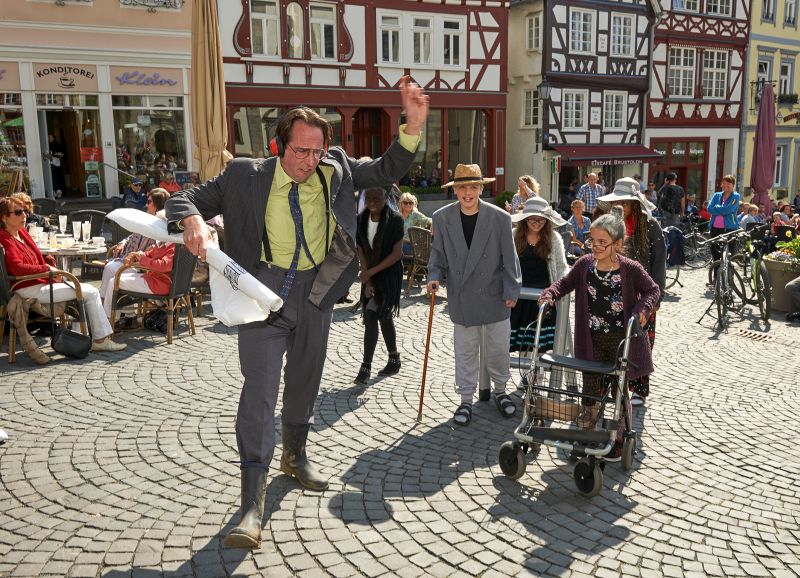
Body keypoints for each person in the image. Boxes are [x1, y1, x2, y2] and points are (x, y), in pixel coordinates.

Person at [165, 77, 428, 549]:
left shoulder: (338, 168)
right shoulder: (246, 175)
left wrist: (412, 126)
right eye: (300, 151)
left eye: (317, 152)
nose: (310, 161)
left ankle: (296, 454)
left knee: (306, 379)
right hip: (261, 289)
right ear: (279, 145)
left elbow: (389, 167)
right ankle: (251, 501)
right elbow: (183, 198)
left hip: (317, 290)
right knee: (260, 390)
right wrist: (191, 220)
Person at [538, 207, 660, 460]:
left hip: (621, 342)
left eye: (602, 242)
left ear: (617, 244)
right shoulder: (584, 265)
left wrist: (642, 309)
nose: (594, 246)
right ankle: (587, 436)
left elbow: (653, 290)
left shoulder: (630, 268)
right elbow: (565, 283)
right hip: (591, 340)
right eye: (592, 240)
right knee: (589, 391)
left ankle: (619, 437)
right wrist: (549, 294)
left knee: (619, 390)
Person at [426, 164, 522, 426]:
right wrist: (434, 276)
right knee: (465, 352)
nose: (467, 193)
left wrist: (512, 289)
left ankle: (501, 392)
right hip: (463, 296)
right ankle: (465, 400)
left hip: (495, 295)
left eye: (473, 187)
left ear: (482, 188)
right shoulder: (441, 218)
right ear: (454, 190)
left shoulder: (500, 218)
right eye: (462, 187)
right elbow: (437, 254)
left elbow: (510, 259)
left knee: (498, 350)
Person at [0, 196, 126, 352]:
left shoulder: (21, 233)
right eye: (18, 212)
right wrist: (46, 270)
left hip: (39, 282)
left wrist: (48, 261)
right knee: (91, 291)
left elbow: (36, 255)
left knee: (83, 290)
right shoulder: (5, 238)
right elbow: (17, 268)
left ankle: (79, 336)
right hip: (29, 287)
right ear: (4, 217)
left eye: (25, 211)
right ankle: (99, 340)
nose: (24, 215)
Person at [597, 177, 665, 407]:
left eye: (626, 203)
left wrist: (657, 297)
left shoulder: (650, 226)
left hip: (643, 294)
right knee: (611, 340)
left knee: (640, 342)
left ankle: (639, 388)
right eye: (619, 202)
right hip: (614, 292)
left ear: (635, 204)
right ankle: (612, 385)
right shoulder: (610, 225)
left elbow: (659, 263)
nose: (622, 207)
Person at [353, 187, 404, 385]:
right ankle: (394, 358)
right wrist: (367, 278)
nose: (372, 202)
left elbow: (396, 254)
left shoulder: (395, 220)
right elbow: (360, 248)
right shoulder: (360, 219)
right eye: (369, 198)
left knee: (372, 314)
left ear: (386, 198)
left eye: (377, 198)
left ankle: (365, 367)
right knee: (382, 314)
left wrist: (371, 274)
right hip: (370, 272)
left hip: (389, 273)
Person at [508, 197, 568, 357]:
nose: (536, 222)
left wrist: (558, 291)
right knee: (523, 346)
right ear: (524, 219)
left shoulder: (554, 238)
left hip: (544, 297)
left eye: (541, 219)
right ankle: (526, 379)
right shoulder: (513, 236)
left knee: (541, 346)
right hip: (519, 298)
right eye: (532, 219)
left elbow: (562, 268)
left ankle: (536, 377)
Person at [99, 190, 168, 326]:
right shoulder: (144, 220)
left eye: (149, 202)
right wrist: (121, 243)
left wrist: (138, 256)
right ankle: (124, 314)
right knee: (112, 269)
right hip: (127, 259)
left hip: (139, 266)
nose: (146, 205)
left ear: (158, 205)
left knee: (112, 270)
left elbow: (155, 251)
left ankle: (109, 315)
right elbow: (131, 236)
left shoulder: (160, 227)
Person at [101, 239, 175, 318]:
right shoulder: (166, 243)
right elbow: (149, 254)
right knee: (116, 278)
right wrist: (136, 255)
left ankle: (108, 320)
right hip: (156, 280)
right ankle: (125, 317)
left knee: (114, 281)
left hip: (159, 284)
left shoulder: (172, 246)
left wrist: (141, 259)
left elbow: (163, 266)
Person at [707, 174, 740, 261]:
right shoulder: (717, 195)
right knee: (715, 254)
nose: (726, 185)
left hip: (730, 229)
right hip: (715, 228)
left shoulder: (736, 196)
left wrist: (717, 207)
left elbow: (729, 210)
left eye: (728, 183)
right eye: (724, 183)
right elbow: (709, 209)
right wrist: (723, 210)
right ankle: (715, 274)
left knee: (730, 255)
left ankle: (729, 274)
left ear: (733, 185)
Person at [398, 191, 431, 259]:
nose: (408, 205)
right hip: (399, 245)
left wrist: (432, 231)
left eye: (410, 203)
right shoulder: (398, 215)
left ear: (414, 204)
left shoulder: (416, 215)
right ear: (401, 204)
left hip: (411, 246)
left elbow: (430, 221)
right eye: (405, 203)